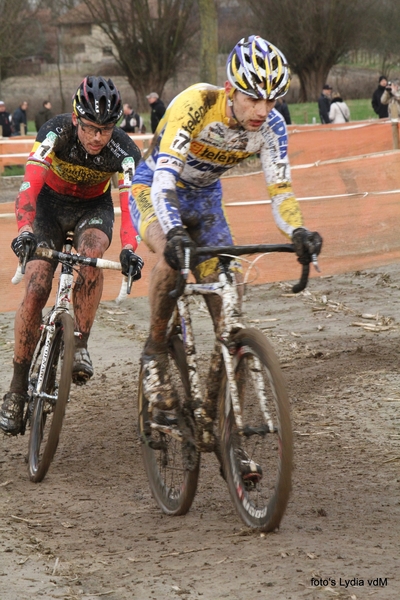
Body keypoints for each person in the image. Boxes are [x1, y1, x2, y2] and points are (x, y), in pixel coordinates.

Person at [129, 35, 322, 413]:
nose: (263, 110)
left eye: (272, 99)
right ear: (231, 88)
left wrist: (298, 231)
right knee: (172, 261)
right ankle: (154, 353)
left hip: (205, 201)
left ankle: (222, 424)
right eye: (253, 98)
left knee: (229, 300)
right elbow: (164, 179)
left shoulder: (272, 128)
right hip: (155, 189)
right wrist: (174, 233)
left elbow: (281, 190)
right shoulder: (197, 104)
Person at [0, 76, 144, 436]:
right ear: (77, 119)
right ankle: (17, 386)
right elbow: (29, 183)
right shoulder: (55, 132)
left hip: (92, 209)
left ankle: (80, 342)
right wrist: (25, 231)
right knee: (36, 288)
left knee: (92, 255)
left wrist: (129, 249)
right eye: (92, 128)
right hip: (49, 209)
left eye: (106, 129)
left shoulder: (124, 151)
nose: (98, 138)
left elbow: (131, 204)